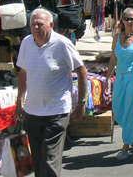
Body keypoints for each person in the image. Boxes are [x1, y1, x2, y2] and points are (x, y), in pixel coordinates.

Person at [15, 9, 88, 177]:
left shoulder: (62, 44)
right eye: (33, 24)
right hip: (32, 112)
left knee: (49, 160)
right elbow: (23, 74)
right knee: (39, 162)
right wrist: (19, 102)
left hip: (56, 112)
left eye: (40, 24)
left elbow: (82, 71)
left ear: (51, 25)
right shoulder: (26, 43)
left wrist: (81, 103)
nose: (35, 28)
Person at [106, 7, 133, 160]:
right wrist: (108, 77)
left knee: (130, 110)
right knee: (116, 109)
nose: (130, 22)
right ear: (121, 20)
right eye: (127, 18)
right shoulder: (117, 37)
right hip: (120, 78)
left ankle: (126, 145)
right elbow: (113, 58)